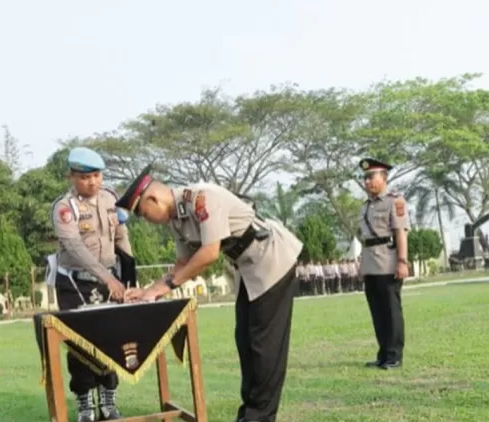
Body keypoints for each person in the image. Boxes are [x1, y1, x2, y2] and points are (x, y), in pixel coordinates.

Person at [120, 166, 303, 422]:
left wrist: (167, 287)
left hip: (271, 259)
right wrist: (149, 292)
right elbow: (182, 267)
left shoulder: (202, 198)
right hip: (247, 269)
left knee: (264, 346)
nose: (147, 220)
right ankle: (249, 414)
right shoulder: (177, 220)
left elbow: (208, 254)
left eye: (144, 214)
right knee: (245, 342)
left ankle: (258, 418)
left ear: (153, 199)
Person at [49, 146, 133, 422]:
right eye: (86, 177)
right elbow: (74, 247)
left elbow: (121, 236)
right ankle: (85, 403)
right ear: (71, 176)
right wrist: (107, 277)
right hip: (75, 285)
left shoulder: (110, 198)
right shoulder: (65, 208)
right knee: (80, 345)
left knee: (112, 340)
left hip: (110, 282)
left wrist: (128, 274)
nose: (93, 182)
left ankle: (108, 399)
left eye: (97, 176)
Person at [357, 158, 409, 370]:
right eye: (365, 178)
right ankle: (383, 353)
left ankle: (394, 355)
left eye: (372, 177)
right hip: (371, 264)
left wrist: (402, 261)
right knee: (377, 312)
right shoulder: (365, 207)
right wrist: (362, 265)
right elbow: (366, 239)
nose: (367, 181)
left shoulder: (394, 202)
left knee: (391, 311)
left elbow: (400, 233)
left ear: (384, 178)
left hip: (388, 263)